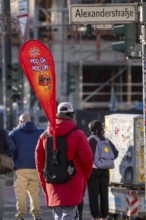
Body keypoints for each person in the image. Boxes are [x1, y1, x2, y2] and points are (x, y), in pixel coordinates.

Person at [35, 102, 93, 220]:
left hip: (52, 180)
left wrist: (43, 181)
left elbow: (38, 161)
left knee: (57, 214)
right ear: (72, 115)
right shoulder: (78, 134)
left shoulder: (44, 135)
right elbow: (87, 160)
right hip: (73, 181)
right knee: (69, 214)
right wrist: (84, 178)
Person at [9, 113, 43, 220]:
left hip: (20, 168)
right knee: (34, 193)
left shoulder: (14, 133)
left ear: (20, 121)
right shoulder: (39, 133)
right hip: (35, 168)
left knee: (21, 194)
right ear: (30, 121)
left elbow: (9, 146)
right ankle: (37, 216)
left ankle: (20, 216)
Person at [87, 120, 118, 220]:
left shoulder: (90, 140)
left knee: (93, 195)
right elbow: (115, 153)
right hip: (105, 171)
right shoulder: (106, 141)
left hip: (93, 171)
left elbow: (85, 156)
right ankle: (104, 216)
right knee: (104, 194)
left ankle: (95, 216)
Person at [0, 128, 15, 220]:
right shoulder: (2, 132)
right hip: (1, 168)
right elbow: (12, 147)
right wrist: (5, 157)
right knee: (0, 195)